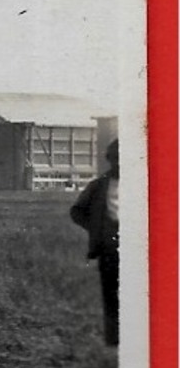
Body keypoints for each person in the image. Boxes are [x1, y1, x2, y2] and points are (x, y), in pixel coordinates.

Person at [70, 138, 120, 346]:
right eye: (116, 158)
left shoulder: (148, 183)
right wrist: (95, 229)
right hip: (108, 248)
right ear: (110, 159)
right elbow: (77, 211)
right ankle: (113, 339)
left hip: (142, 249)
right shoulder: (98, 186)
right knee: (110, 293)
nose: (120, 163)